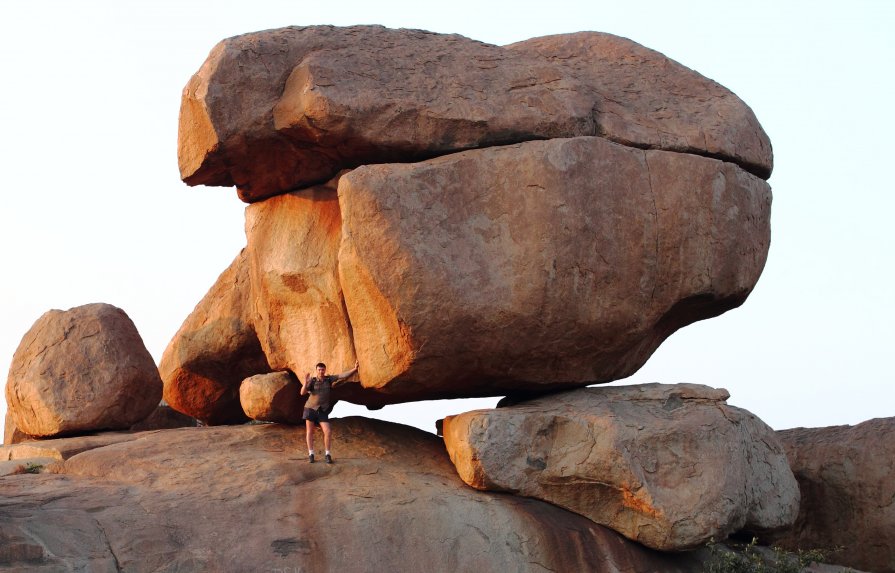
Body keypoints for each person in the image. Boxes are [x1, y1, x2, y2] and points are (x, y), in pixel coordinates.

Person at [300, 360, 359, 463]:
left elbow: (342, 376)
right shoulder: (312, 381)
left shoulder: (329, 379)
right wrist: (305, 381)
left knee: (328, 431)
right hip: (310, 409)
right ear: (316, 370)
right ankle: (311, 454)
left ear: (325, 370)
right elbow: (302, 393)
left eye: (322, 370)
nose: (321, 371)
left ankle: (327, 454)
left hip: (322, 410)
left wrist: (354, 369)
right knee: (310, 431)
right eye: (319, 370)